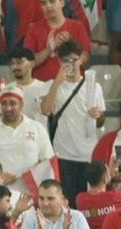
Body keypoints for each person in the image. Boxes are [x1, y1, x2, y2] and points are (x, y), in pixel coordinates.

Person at [43, 41, 106, 202]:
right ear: (59, 62)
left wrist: (98, 115)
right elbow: (46, 110)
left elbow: (101, 122)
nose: (70, 64)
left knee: (87, 201)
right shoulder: (53, 85)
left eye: (73, 60)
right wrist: (57, 82)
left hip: (88, 153)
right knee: (65, 201)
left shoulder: (94, 86)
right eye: (65, 61)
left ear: (81, 59)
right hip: (63, 153)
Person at [0, 85, 55, 194]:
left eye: (12, 103)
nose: (8, 108)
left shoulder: (37, 128)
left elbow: (48, 163)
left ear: (21, 105)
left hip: (30, 195)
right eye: (4, 103)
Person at [22, 0, 92, 82]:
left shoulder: (78, 27)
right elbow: (27, 63)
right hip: (41, 85)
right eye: (43, 3)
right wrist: (49, 50)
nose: (48, 6)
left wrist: (71, 43)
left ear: (62, 3)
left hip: (71, 83)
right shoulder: (34, 29)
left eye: (52, 2)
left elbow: (85, 60)